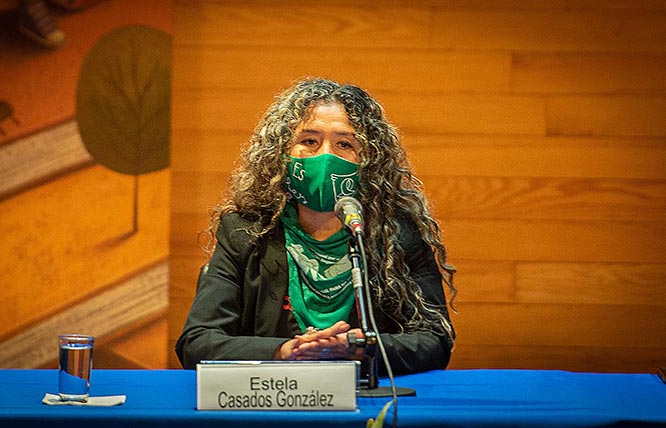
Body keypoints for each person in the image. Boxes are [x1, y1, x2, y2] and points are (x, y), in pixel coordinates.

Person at [175, 77, 457, 375]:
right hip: (271, 403)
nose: (325, 156)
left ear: (369, 160)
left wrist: (364, 347)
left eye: (344, 144)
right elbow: (197, 342)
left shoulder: (398, 235)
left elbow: (435, 340)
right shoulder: (245, 232)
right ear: (281, 153)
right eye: (309, 141)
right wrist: (284, 352)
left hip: (367, 405)